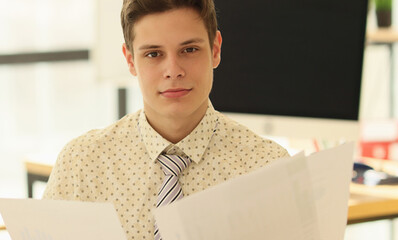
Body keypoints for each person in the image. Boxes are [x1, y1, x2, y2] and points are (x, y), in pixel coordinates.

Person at [43, 0, 289, 239]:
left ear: (215, 50)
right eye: (153, 54)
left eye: (189, 50)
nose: (173, 70)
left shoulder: (269, 169)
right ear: (130, 60)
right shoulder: (80, 165)